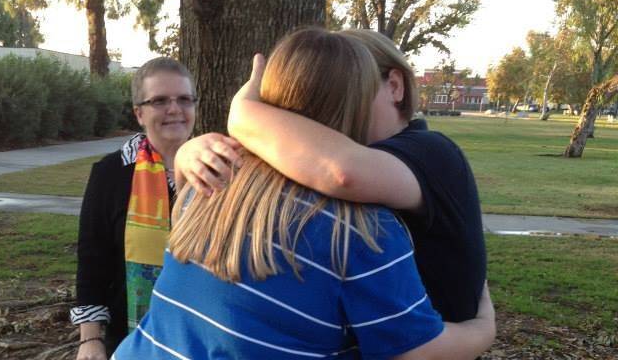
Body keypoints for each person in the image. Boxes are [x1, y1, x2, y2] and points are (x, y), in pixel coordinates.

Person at [113, 28, 495, 359]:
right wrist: (484, 327)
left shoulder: (213, 181)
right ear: (355, 102)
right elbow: (416, 353)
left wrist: (207, 143)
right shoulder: (361, 230)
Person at [71, 57, 198, 360]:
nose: (174, 109)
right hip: (132, 342)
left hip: (205, 337)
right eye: (159, 101)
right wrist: (90, 340)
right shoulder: (111, 174)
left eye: (184, 99)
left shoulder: (220, 169)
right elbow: (92, 260)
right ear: (139, 113)